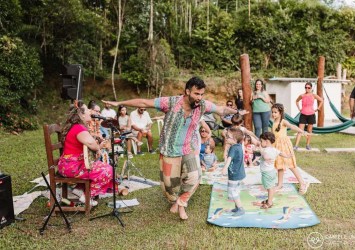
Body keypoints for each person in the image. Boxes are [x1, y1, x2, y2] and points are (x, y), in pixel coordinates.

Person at [102, 76, 248, 220]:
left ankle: (181, 203)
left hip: (188, 148)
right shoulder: (171, 102)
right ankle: (174, 201)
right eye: (196, 93)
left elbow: (221, 110)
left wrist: (236, 112)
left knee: (194, 177)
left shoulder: (203, 105)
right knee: (169, 185)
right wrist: (119, 102)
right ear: (187, 92)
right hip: (169, 150)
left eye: (202, 94)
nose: (199, 97)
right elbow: (144, 102)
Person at [58, 100, 113, 206]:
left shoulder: (76, 126)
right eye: (87, 110)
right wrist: (99, 148)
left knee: (101, 166)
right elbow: (92, 144)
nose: (89, 111)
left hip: (69, 165)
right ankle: (87, 196)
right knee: (107, 170)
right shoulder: (79, 128)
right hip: (72, 167)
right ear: (81, 114)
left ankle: (80, 189)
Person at [270, 103, 309, 195]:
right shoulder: (274, 122)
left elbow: (292, 126)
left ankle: (303, 183)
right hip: (276, 146)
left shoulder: (283, 121)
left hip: (284, 146)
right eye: (272, 112)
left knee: (290, 165)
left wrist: (302, 131)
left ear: (280, 112)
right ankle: (279, 184)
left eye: (275, 112)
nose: (273, 114)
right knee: (280, 165)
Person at [255, 132, 291, 209]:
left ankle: (269, 203)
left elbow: (265, 156)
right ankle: (269, 199)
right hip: (271, 172)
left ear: (266, 141)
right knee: (269, 187)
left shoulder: (266, 151)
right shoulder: (274, 149)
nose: (261, 143)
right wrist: (287, 156)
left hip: (267, 173)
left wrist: (260, 149)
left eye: (261, 141)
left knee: (270, 188)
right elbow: (281, 153)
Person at [221, 127, 246, 216]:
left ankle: (240, 208)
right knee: (236, 190)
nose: (226, 138)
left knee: (232, 191)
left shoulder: (233, 148)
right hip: (239, 173)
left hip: (234, 175)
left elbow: (229, 159)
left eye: (228, 137)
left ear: (234, 139)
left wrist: (224, 168)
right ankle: (237, 207)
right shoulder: (238, 146)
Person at [293, 82, 324, 150]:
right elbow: (296, 101)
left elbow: (321, 100)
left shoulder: (314, 95)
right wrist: (299, 109)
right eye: (306, 87)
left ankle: (307, 145)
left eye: (308, 87)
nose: (307, 89)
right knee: (300, 130)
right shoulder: (302, 95)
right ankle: (296, 146)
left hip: (311, 115)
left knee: (309, 131)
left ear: (311, 88)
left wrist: (318, 108)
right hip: (303, 115)